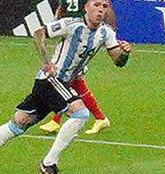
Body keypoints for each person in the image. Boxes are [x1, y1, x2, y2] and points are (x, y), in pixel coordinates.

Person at [0, 0, 129, 174]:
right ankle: (49, 163)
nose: (100, 10)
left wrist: (125, 53)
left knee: (18, 123)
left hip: (58, 84)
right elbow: (39, 32)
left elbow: (118, 61)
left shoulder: (106, 33)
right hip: (50, 80)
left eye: (104, 6)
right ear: (86, 8)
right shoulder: (72, 25)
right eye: (96, 5)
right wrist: (46, 61)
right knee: (81, 113)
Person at [37, 0, 112, 134]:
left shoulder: (92, 4)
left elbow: (104, 10)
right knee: (70, 83)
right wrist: (57, 22)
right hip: (70, 35)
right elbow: (61, 8)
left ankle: (57, 120)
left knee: (67, 82)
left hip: (82, 40)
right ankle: (99, 118)